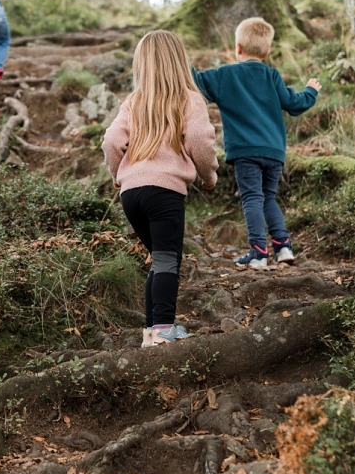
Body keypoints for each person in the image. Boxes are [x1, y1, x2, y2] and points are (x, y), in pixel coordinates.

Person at [102, 30, 218, 347]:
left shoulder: (134, 102)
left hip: (132, 194)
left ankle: (152, 331)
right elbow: (199, 143)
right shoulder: (189, 99)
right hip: (164, 192)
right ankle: (164, 332)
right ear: (179, 61)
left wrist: (119, 176)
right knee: (168, 261)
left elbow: (112, 141)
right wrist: (209, 177)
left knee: (159, 259)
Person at [191, 17, 320, 270]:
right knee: (268, 197)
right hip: (274, 151)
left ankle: (258, 253)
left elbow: (194, 81)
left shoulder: (226, 75)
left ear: (238, 47)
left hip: (245, 150)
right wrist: (310, 91)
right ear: (268, 51)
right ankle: (283, 248)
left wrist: (176, 62)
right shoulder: (272, 76)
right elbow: (294, 104)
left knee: (252, 197)